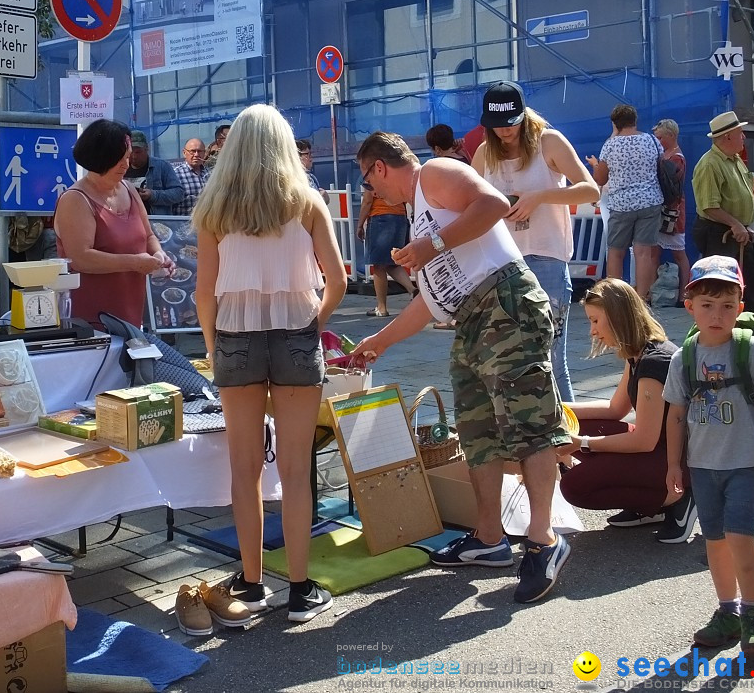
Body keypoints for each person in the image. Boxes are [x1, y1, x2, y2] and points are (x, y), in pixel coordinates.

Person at [349, 131, 571, 605]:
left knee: (530, 427)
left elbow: (492, 204)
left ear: (379, 167)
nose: (371, 190)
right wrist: (379, 342)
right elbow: (430, 301)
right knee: (477, 432)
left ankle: (542, 540)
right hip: (471, 318)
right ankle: (489, 538)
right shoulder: (417, 213)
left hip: (505, 303)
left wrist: (433, 243)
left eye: (367, 179)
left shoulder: (435, 174)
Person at [193, 104, 346, 624]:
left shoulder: (214, 210)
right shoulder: (307, 203)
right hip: (297, 336)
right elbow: (340, 281)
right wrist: (310, 321)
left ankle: (253, 583)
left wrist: (214, 347)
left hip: (235, 336)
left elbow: (204, 293)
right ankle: (300, 589)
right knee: (296, 469)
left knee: (244, 471)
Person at [663, 256, 754, 652]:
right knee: (714, 541)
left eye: (727, 305)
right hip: (703, 465)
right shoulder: (684, 357)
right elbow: (675, 414)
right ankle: (727, 610)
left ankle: (753, 611)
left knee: (740, 538)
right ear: (689, 306)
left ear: (740, 308)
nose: (717, 314)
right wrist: (673, 465)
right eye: (707, 305)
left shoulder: (752, 349)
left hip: (746, 463)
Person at [471, 81, 599, 402]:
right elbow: (469, 202)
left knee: (552, 361)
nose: (504, 131)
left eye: (511, 122)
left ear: (524, 115)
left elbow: (590, 189)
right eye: (496, 125)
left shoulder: (548, 142)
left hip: (546, 261)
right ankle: (529, 438)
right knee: (507, 362)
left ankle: (569, 442)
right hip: (501, 265)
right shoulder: (485, 153)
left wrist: (540, 197)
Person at [558, 278, 696, 543]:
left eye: (595, 321)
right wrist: (557, 410)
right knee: (569, 424)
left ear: (618, 316)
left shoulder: (654, 362)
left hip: (678, 462)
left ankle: (676, 497)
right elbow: (614, 409)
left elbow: (644, 441)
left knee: (574, 486)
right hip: (660, 450)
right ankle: (649, 505)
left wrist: (583, 444)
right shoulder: (638, 351)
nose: (592, 331)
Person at [54, 119, 174, 329]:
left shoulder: (129, 189)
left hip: (131, 310)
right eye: (118, 159)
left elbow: (148, 236)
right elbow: (80, 259)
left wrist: (159, 254)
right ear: (100, 159)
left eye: (127, 157)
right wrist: (134, 262)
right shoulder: (75, 199)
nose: (126, 165)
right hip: (91, 317)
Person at [691, 111, 754, 326]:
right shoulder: (710, 164)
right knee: (723, 287)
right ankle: (721, 329)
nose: (743, 137)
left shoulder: (733, 160)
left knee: (750, 283)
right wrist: (735, 224)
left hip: (734, 231)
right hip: (719, 234)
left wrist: (742, 225)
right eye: (740, 133)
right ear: (727, 137)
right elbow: (709, 206)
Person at [591, 104, 664, 301]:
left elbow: (600, 179)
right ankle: (642, 299)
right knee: (643, 253)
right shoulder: (651, 140)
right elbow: (661, 165)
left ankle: (615, 299)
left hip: (621, 204)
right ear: (635, 120)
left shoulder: (611, 145)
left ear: (614, 123)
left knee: (615, 252)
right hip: (650, 201)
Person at [355, 179, 416, 318]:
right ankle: (412, 290)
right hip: (400, 217)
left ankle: (381, 307)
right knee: (392, 262)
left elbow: (367, 201)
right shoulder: (395, 171)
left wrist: (360, 225)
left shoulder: (373, 175)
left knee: (379, 265)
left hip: (380, 218)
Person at [652, 118, 691, 305]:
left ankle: (685, 293)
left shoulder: (676, 158)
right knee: (654, 252)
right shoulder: (668, 154)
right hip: (663, 209)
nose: (657, 140)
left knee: (679, 253)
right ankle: (652, 291)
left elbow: (671, 185)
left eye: (660, 137)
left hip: (672, 210)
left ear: (671, 135)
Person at [126, 130, 184, 215]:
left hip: (156, 223)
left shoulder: (162, 166)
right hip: (129, 221)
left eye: (138, 152)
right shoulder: (122, 168)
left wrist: (152, 195)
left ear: (147, 148)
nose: (134, 156)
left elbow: (178, 194)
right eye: (131, 152)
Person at [172, 139, 210, 215]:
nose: (196, 155)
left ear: (204, 153)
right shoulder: (175, 175)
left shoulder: (211, 174)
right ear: (184, 153)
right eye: (192, 151)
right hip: (183, 224)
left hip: (207, 223)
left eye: (199, 151)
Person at [296, 139, 329, 204]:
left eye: (311, 153)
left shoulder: (311, 177)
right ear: (297, 157)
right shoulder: (297, 180)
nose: (311, 157)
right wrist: (323, 198)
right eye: (307, 154)